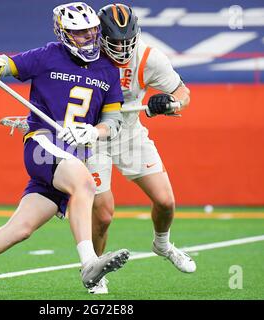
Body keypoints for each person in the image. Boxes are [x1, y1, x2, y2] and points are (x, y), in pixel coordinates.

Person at [0, 2, 129, 299]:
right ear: (64, 33)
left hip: (72, 155)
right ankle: (89, 264)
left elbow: (113, 121)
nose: (89, 37)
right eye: (80, 32)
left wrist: (94, 131)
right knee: (85, 184)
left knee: (19, 229)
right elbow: (8, 64)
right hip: (43, 143)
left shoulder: (107, 69)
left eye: (92, 30)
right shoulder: (48, 55)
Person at [86, 3, 196, 294]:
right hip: (94, 138)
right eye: (115, 41)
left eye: (126, 40)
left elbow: (183, 94)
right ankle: (96, 272)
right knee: (104, 214)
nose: (122, 47)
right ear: (99, 36)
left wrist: (169, 103)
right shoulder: (85, 55)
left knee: (166, 201)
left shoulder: (148, 56)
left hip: (130, 135)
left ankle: (162, 244)